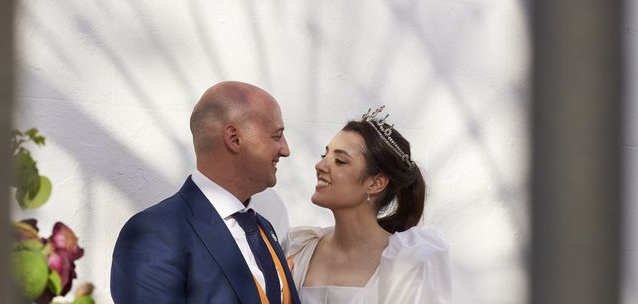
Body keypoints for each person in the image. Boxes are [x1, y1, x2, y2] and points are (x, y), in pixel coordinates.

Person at [111, 81, 301, 304]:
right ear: (234, 139)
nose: (286, 150)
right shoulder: (155, 233)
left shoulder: (263, 229)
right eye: (277, 136)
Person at [283, 106, 451, 303]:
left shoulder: (409, 261)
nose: (320, 166)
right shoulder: (299, 246)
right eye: (324, 156)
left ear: (376, 183)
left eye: (339, 161)